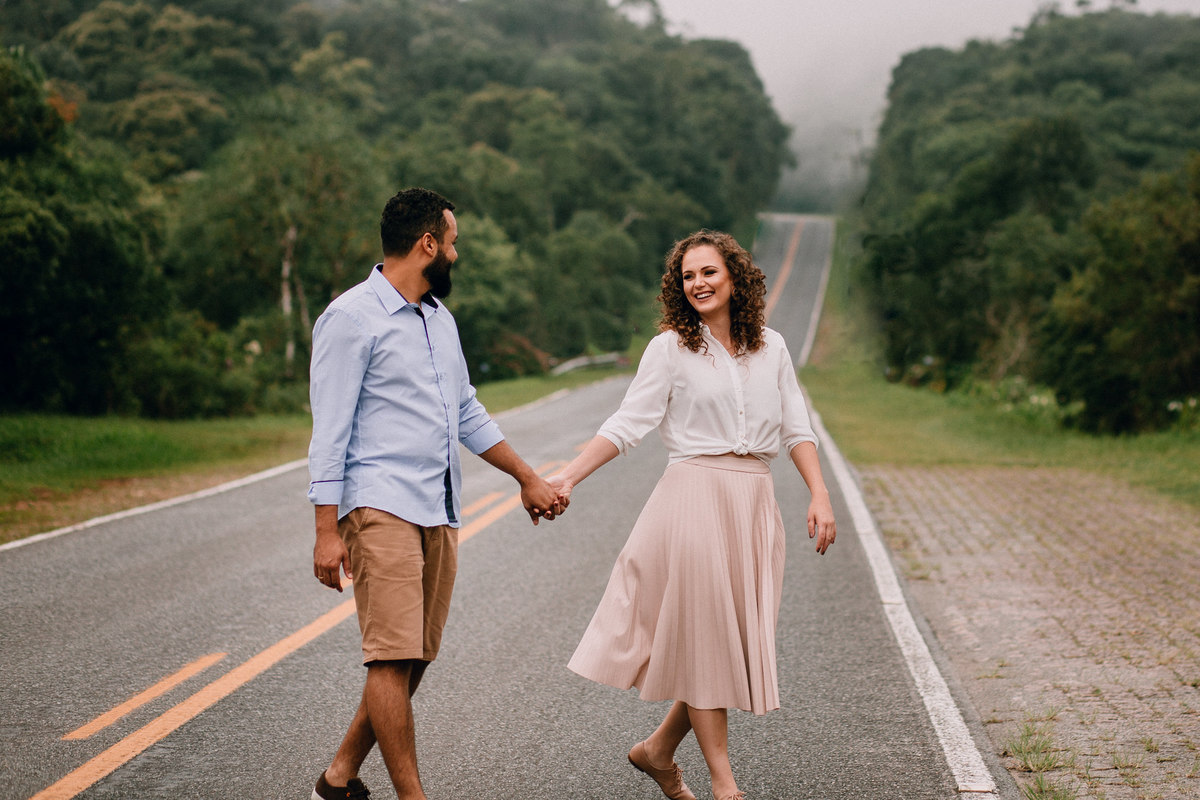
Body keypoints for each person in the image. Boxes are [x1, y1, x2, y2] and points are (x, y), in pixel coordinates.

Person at [549, 230, 836, 800]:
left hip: (753, 502)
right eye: (687, 276)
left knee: (725, 643)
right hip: (693, 498)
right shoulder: (670, 349)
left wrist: (819, 494)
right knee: (708, 640)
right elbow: (627, 423)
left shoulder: (772, 347)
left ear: (734, 277)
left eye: (708, 272)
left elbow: (797, 427)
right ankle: (725, 785)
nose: (698, 283)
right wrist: (568, 477)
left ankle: (657, 752)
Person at [307, 187, 564, 800]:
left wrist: (527, 476)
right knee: (390, 657)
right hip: (378, 503)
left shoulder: (439, 320)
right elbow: (329, 430)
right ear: (427, 244)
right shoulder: (350, 318)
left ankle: (339, 778)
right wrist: (325, 530)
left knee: (414, 656)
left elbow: (465, 411)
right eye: (452, 243)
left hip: (437, 505)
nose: (455, 253)